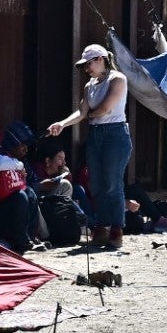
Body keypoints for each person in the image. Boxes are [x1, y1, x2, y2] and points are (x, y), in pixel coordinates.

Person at [46, 43, 131, 252]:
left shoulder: (118, 79)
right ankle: (101, 226)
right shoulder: (89, 85)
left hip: (115, 133)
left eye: (89, 64)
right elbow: (82, 111)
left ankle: (117, 229)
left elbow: (104, 109)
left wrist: (88, 116)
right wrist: (62, 124)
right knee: (96, 183)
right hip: (95, 134)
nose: (87, 69)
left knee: (113, 183)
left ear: (101, 59)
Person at [30, 137, 85, 245]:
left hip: (48, 206)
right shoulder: (37, 169)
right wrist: (43, 185)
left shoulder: (54, 173)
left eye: (64, 159)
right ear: (47, 160)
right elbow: (34, 189)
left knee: (66, 185)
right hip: (36, 207)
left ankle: (65, 225)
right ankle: (46, 236)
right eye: (60, 159)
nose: (64, 163)